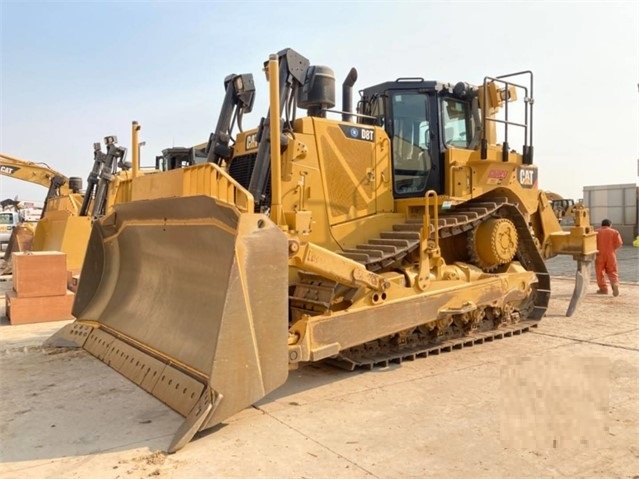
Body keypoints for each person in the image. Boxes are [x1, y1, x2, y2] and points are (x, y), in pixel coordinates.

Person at [595, 219, 623, 296]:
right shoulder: (615, 232)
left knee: (600, 273)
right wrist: (611, 249)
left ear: (602, 224)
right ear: (610, 225)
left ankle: (603, 289)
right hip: (611, 255)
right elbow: (619, 244)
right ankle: (615, 284)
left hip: (599, 255)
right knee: (613, 271)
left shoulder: (596, 232)